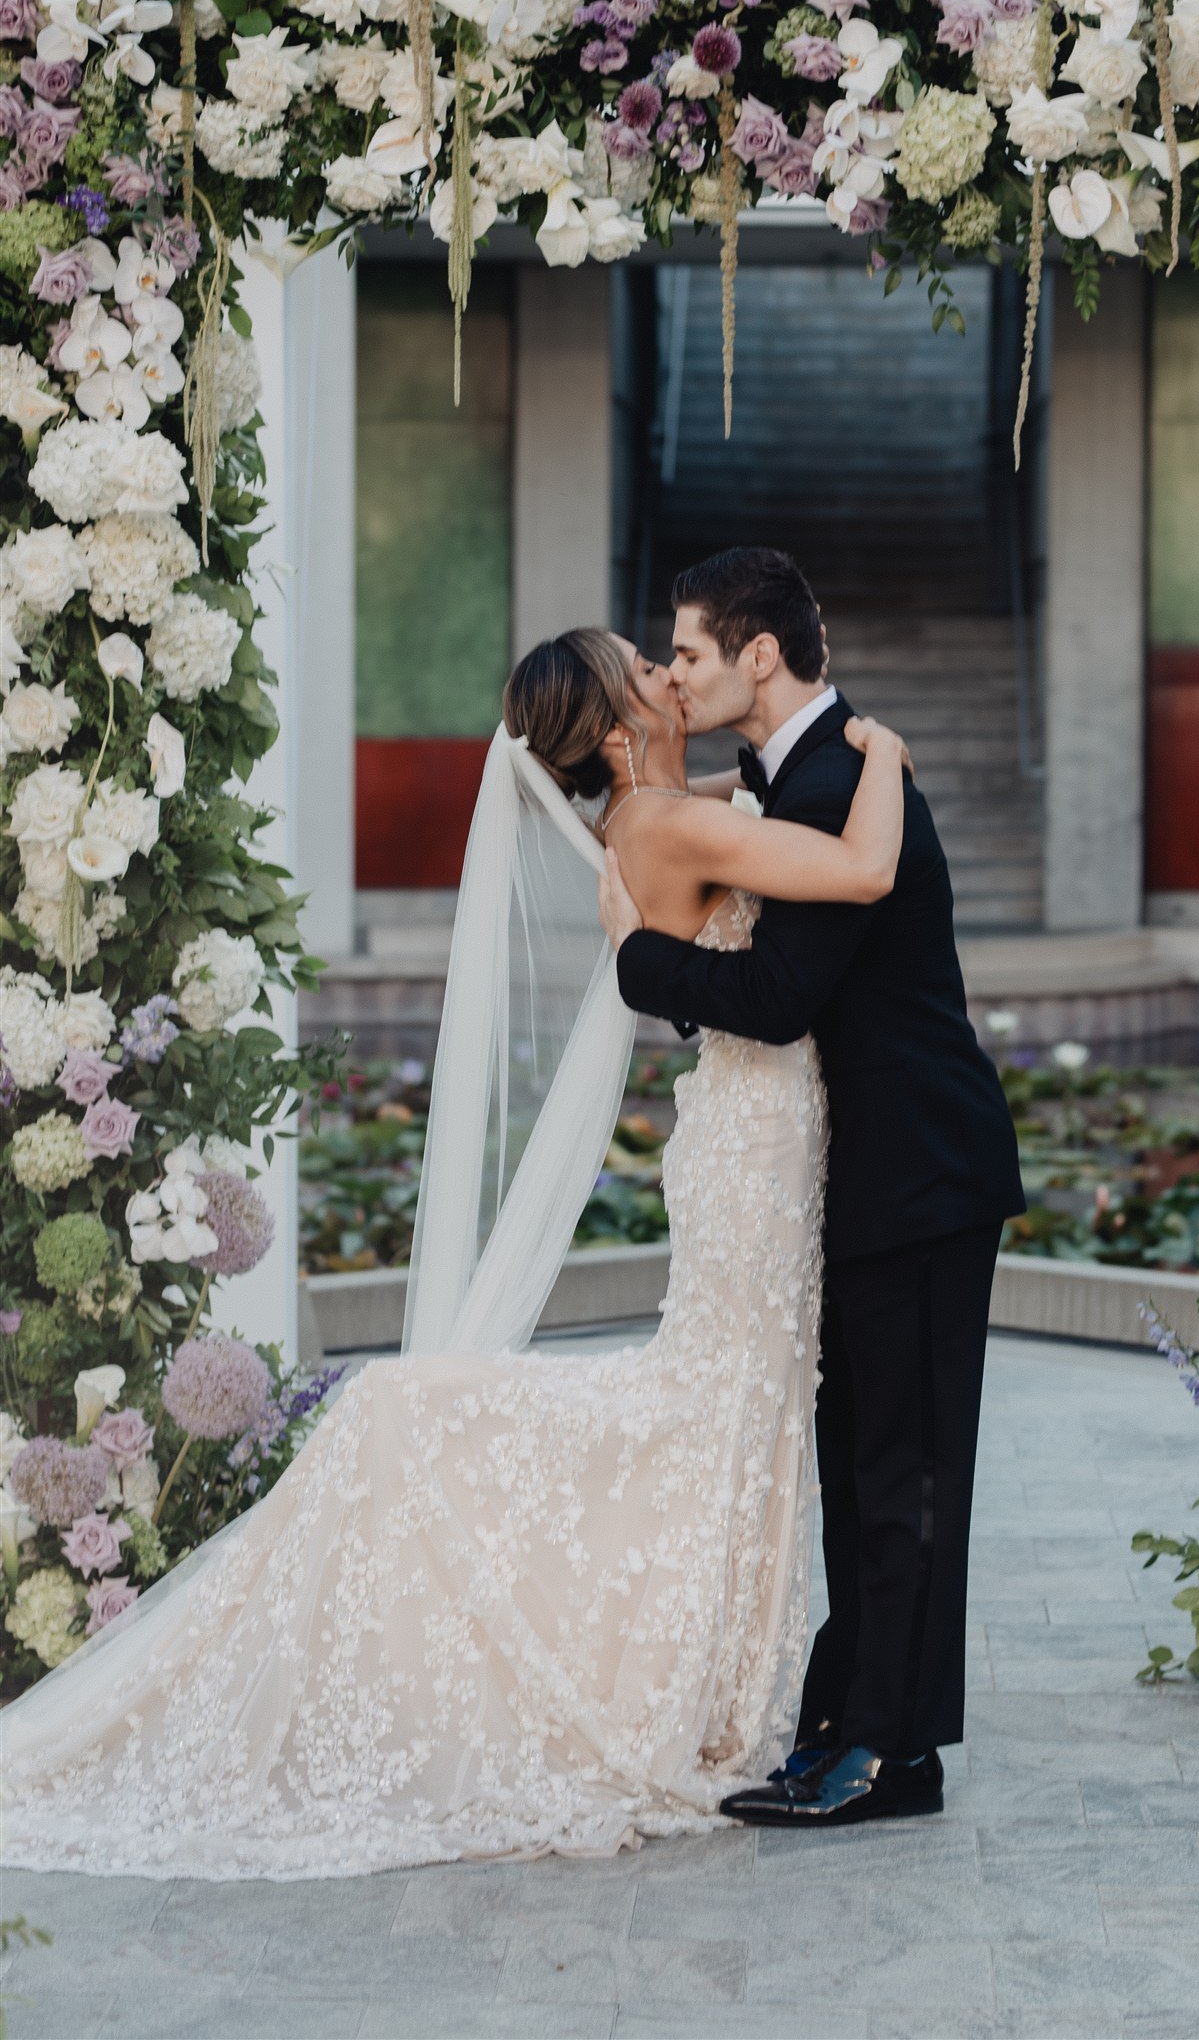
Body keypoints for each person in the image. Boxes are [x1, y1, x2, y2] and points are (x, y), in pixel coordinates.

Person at [0, 626, 909, 1878]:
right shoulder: (661, 826)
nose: (667, 673)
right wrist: (888, 753)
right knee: (719, 1396)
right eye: (647, 667)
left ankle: (649, 1635)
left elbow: (729, 804)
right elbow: (861, 865)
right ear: (609, 728)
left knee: (731, 1396)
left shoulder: (655, 814)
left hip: (747, 1136)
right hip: (752, 1149)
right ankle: (456, 1469)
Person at [598, 548, 1026, 1828]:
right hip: (868, 1173)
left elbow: (782, 1000)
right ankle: (849, 1723)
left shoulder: (840, 770)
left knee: (902, 1468)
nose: (672, 671)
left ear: (758, 656)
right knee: (863, 1461)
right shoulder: (802, 773)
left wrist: (642, 964)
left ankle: (886, 1755)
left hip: (921, 1168)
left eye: (686, 651)